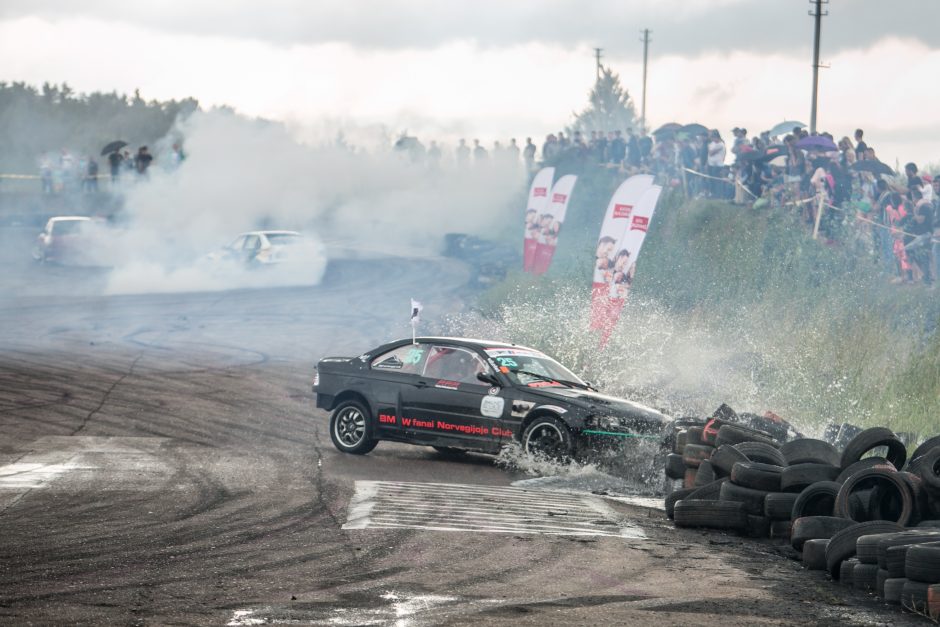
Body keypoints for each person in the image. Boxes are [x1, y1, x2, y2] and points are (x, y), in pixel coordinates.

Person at [707, 130, 726, 197]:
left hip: (718, 165)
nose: (713, 138)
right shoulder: (712, 143)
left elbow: (711, 153)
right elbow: (709, 151)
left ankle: (718, 194)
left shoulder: (721, 144)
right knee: (711, 180)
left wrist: (711, 150)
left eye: (714, 137)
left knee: (716, 180)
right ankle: (712, 193)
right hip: (710, 164)